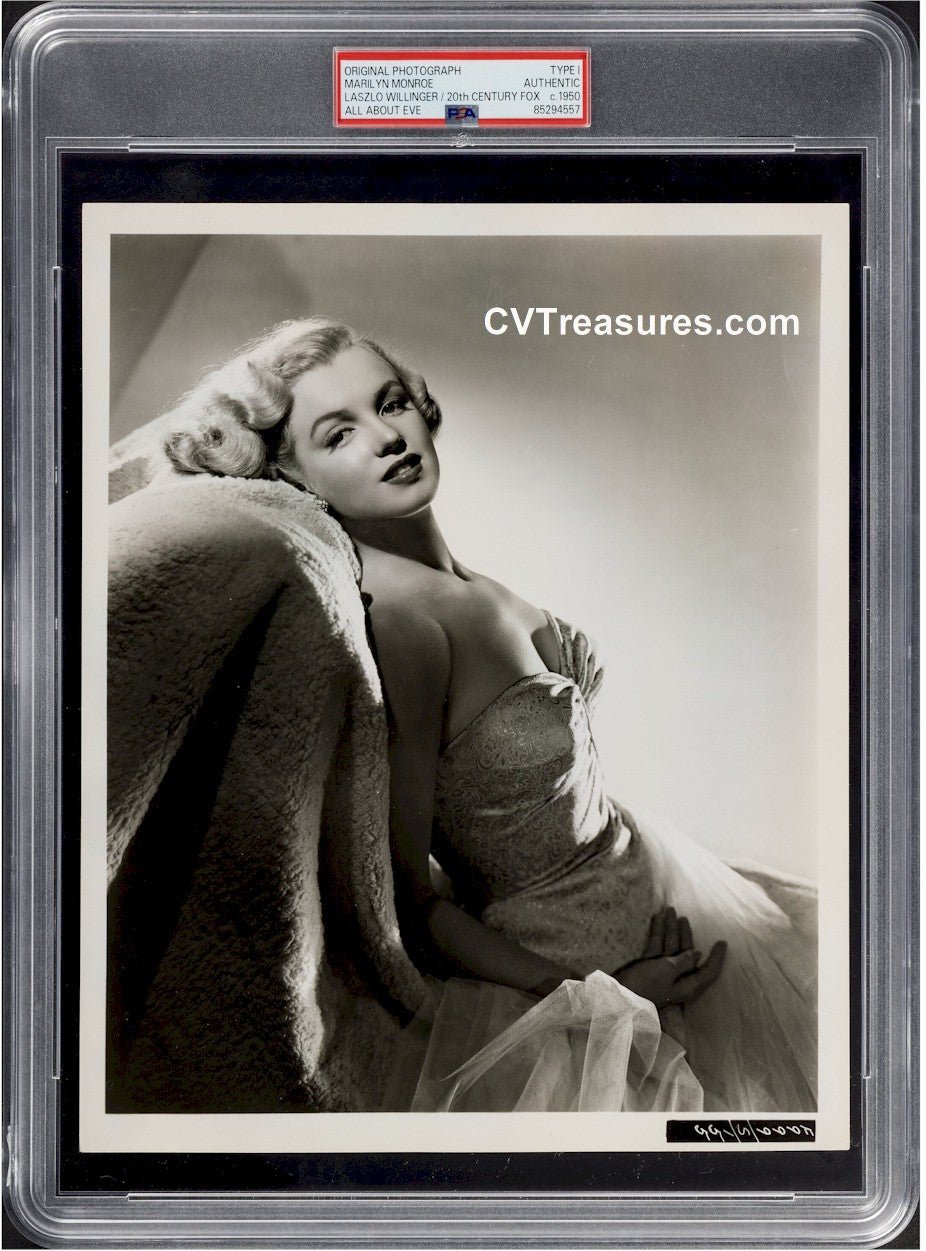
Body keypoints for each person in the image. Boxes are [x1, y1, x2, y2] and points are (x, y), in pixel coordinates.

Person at [163, 316, 818, 1114]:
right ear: (293, 476)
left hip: (654, 888)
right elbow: (412, 901)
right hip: (577, 970)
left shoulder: (463, 584)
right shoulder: (404, 626)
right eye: (340, 433)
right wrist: (603, 996)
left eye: (390, 403)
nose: (387, 437)